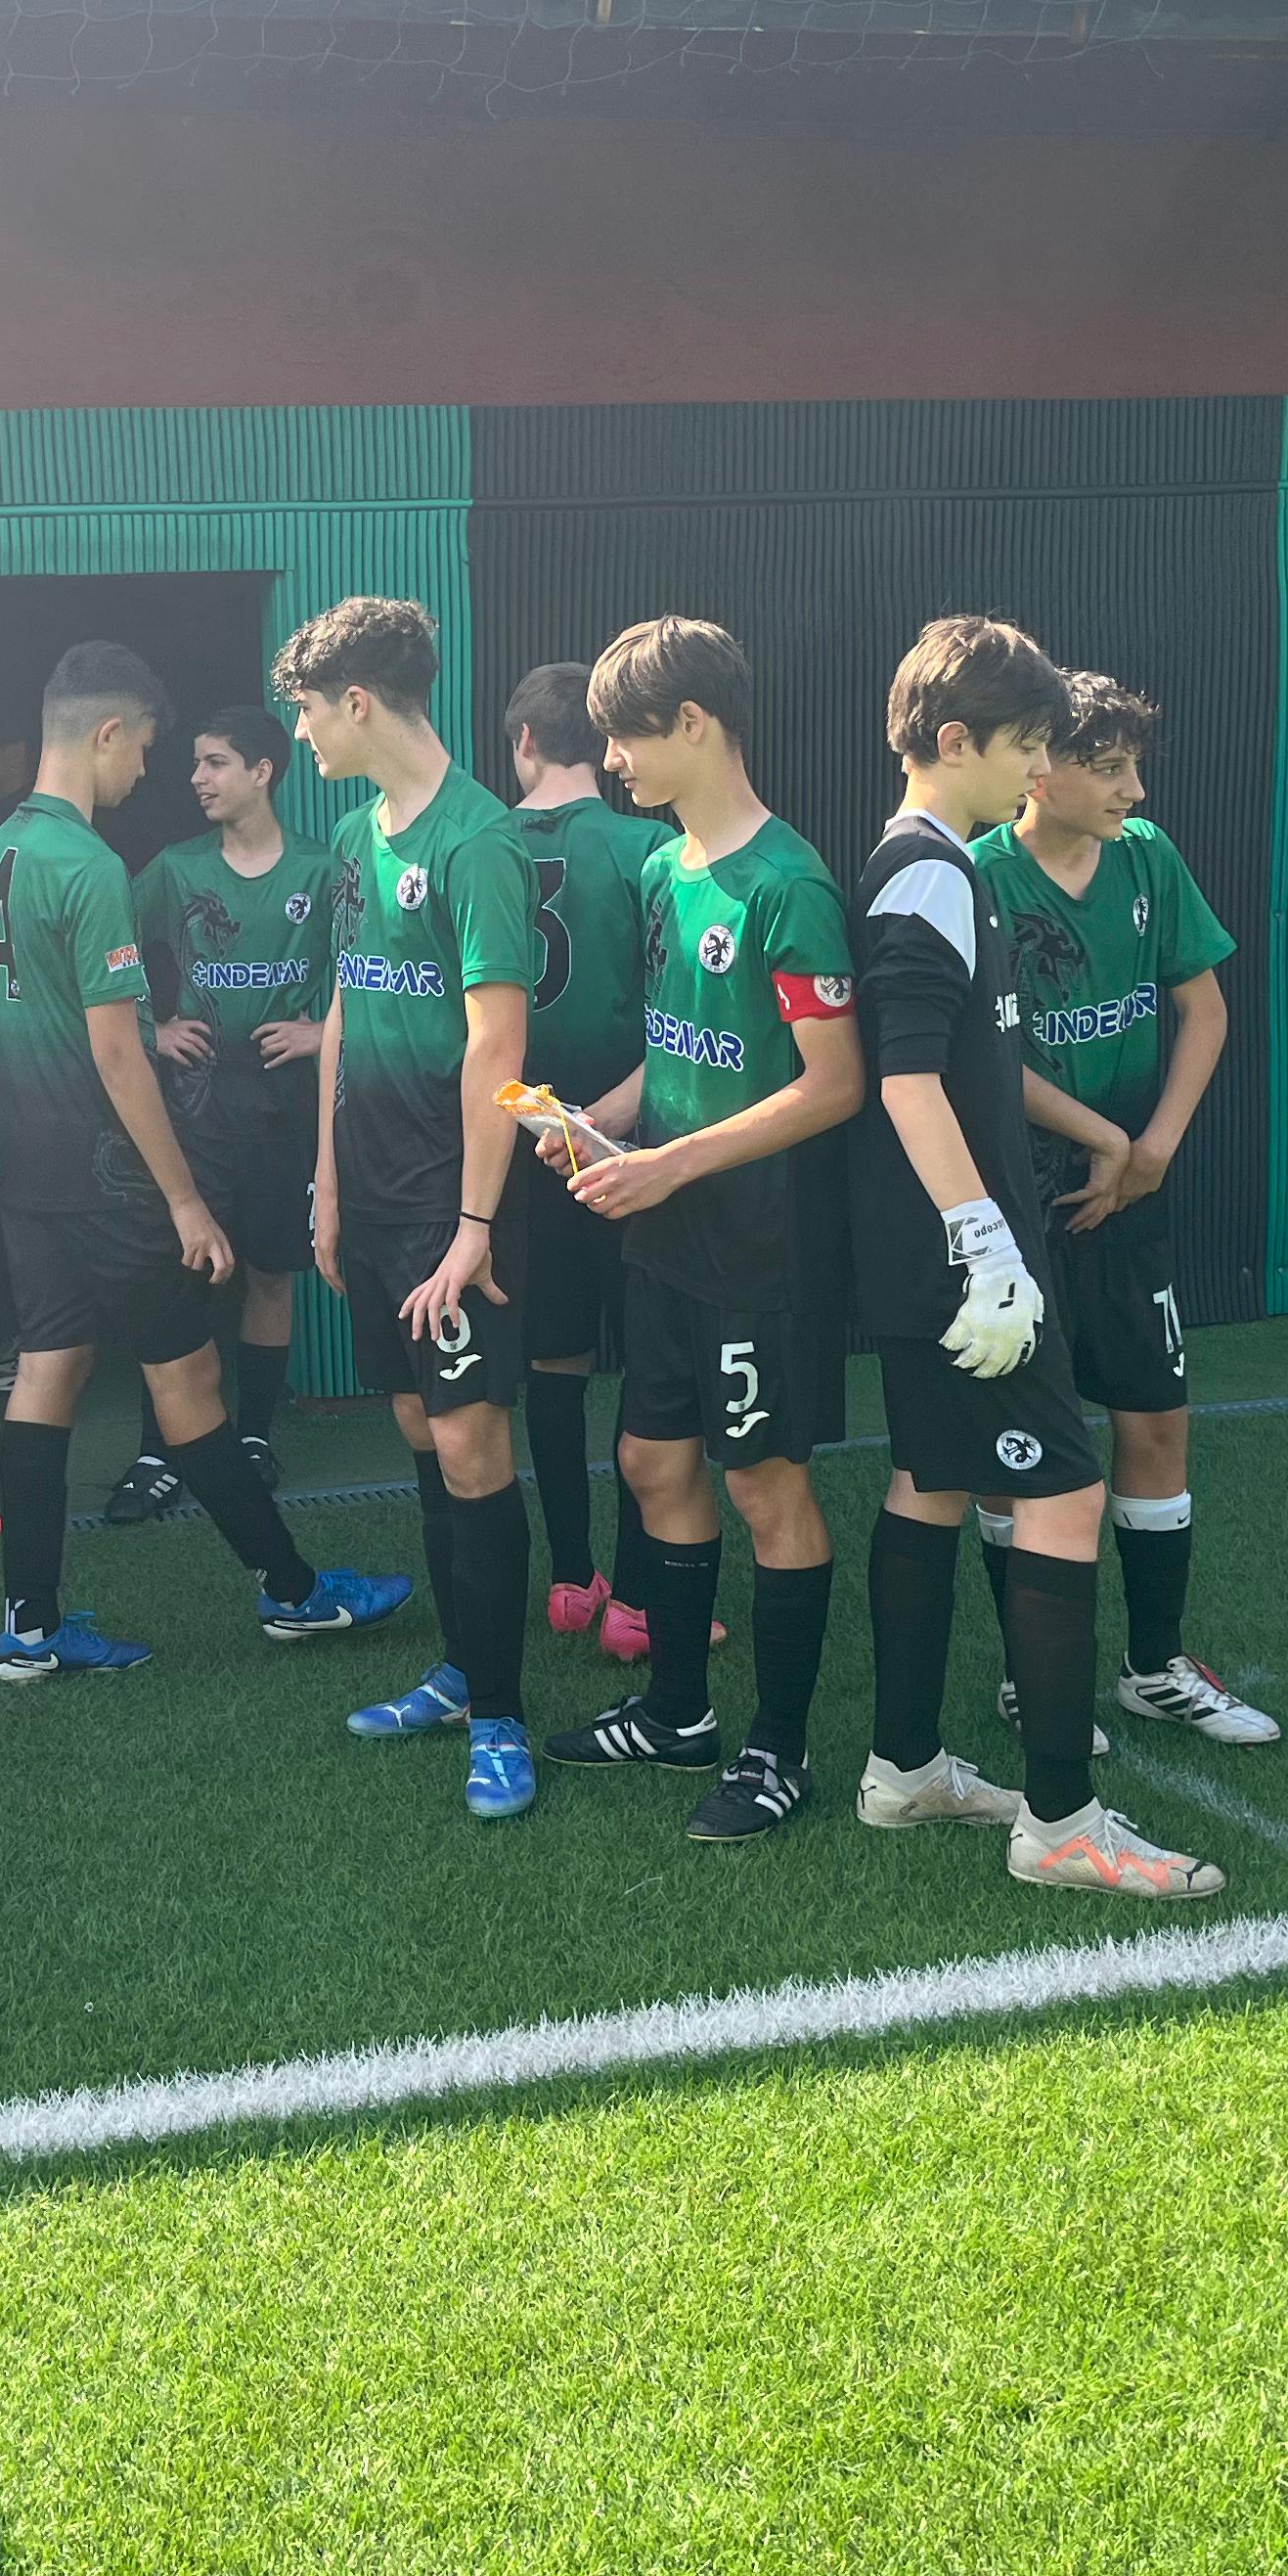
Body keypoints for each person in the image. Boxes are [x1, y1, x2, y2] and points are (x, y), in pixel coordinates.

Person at [848, 621, 1224, 1897]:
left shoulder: (939, 864)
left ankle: (905, 1767)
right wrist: (986, 1245)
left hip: (939, 1251)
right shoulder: (929, 875)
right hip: (963, 1258)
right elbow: (906, 1082)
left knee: (931, 1485)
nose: (1036, 771)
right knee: (1063, 1496)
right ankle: (1062, 1822)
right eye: (1025, 747)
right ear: (957, 740)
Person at [0, 641, 408, 1681]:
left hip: (27, 1176)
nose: (147, 773)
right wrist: (183, 1202)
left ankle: (30, 1629)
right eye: (145, 750)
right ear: (107, 732)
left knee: (48, 1372)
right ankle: (293, 1593)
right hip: (108, 1178)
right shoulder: (87, 864)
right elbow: (120, 1052)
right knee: (191, 1381)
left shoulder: (1, 847)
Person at [538, 618, 860, 1843]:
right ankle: (677, 1713)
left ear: (695, 724)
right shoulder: (666, 868)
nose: (612, 762)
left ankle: (779, 1750)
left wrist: (667, 1164)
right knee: (652, 1463)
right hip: (665, 1229)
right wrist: (599, 1123)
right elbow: (677, 1047)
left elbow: (834, 1085)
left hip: (760, 1247)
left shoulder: (790, 883)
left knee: (766, 1484)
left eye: (624, 737)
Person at [969, 672, 1277, 1748]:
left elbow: (1206, 1008)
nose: (1133, 790)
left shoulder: (1148, 857)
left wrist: (1152, 1149)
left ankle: (1156, 1667)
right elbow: (975, 1054)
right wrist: (1103, 1139)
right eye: (1108, 768)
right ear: (1036, 769)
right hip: (1021, 1201)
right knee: (1020, 1448)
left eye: (1135, 767)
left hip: (1132, 1193)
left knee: (1154, 1419)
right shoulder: (977, 876)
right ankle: (1030, 1673)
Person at [284, 604, 546, 1822]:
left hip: (457, 1200)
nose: (300, 735)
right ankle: (457, 1671)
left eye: (307, 711)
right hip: (374, 1194)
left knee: (471, 1442)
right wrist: (328, 1184)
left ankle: (499, 1716)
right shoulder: (352, 834)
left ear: (358, 703)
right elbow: (345, 1003)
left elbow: (498, 1044)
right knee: (417, 1428)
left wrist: (474, 1226)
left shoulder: (480, 839)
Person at [112, 704, 327, 1522]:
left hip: (282, 1101)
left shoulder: (319, 868)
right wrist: (153, 1028)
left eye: (214, 763)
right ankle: (157, 1450)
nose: (196, 778)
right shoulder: (175, 868)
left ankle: (256, 1435)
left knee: (270, 1271)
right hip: (197, 1103)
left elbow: (377, 967)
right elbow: (105, 950)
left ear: (262, 772)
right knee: (184, 1273)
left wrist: (322, 1031)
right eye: (195, 763)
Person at [501, 660, 668, 1650]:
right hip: (638, 1145)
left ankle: (571, 1579)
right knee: (651, 1364)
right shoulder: (652, 847)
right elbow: (686, 1015)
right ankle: (638, 1602)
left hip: (521, 1148)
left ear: (523, 740)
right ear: (605, 748)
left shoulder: (476, 842)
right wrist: (605, 1117)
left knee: (552, 1360)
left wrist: (543, 1122)